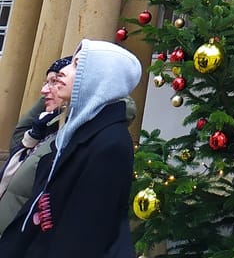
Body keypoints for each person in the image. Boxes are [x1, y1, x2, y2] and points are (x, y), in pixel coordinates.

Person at [0, 38, 142, 257]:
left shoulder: (111, 143)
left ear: (101, 78)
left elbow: (82, 236)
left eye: (77, 64)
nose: (64, 72)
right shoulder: (76, 133)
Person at [0, 56, 72, 231]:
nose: (43, 90)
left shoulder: (65, 135)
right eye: (45, 83)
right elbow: (18, 139)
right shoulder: (43, 128)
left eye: (56, 81)